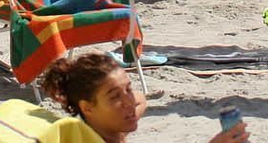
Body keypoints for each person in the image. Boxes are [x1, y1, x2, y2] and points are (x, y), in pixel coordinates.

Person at [42, 51, 249, 143]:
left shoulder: (109, 127)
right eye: (114, 96)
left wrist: (126, 101)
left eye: (128, 89)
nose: (129, 102)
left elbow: (140, 99)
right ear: (87, 107)